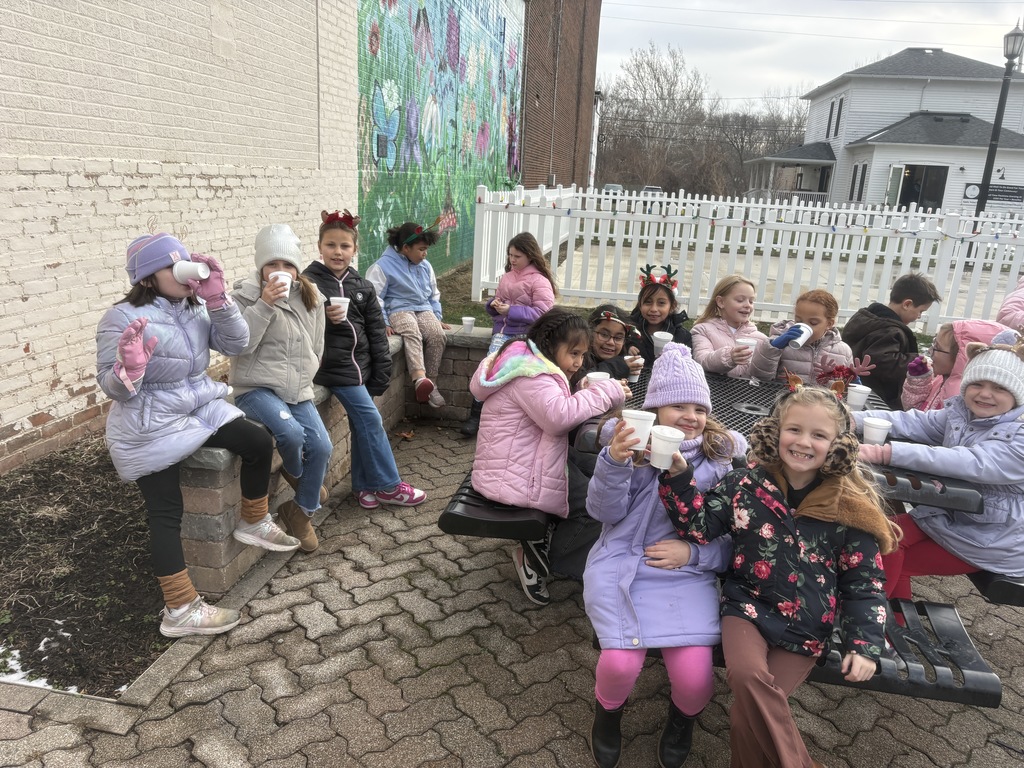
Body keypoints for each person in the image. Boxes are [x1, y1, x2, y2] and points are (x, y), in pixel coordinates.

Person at [662, 384, 898, 768]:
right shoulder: (744, 484)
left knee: (746, 717)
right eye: (794, 429)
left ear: (838, 445)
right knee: (748, 676)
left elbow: (864, 584)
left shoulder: (849, 507)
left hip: (806, 625)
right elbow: (699, 528)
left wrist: (863, 644)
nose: (804, 442)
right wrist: (678, 477)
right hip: (747, 607)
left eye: (819, 435)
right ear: (775, 432)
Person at [96, 233, 299, 638]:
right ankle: (180, 609)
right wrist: (128, 370)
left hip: (196, 406)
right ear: (148, 277)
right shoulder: (120, 317)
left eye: (184, 263)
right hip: (147, 424)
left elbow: (236, 343)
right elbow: (112, 388)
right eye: (173, 267)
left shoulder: (193, 306)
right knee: (166, 510)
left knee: (258, 441)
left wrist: (218, 301)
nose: (185, 273)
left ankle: (253, 521)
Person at [584, 343, 745, 768]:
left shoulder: (717, 465)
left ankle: (682, 721)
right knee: (619, 663)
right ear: (654, 411)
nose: (690, 416)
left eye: (699, 407)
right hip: (622, 564)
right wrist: (614, 464)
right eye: (677, 405)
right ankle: (607, 715)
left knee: (696, 676)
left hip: (685, 575)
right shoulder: (631, 453)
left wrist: (691, 553)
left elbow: (730, 540)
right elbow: (603, 514)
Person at [469, 308, 628, 606]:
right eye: (574, 354)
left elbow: (552, 403)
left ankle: (548, 536)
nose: (579, 362)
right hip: (516, 477)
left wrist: (582, 388)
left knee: (598, 467)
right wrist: (606, 391)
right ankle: (546, 557)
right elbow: (558, 417)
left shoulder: (528, 362)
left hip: (516, 461)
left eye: (583, 355)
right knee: (598, 501)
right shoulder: (532, 375)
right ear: (551, 344)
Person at [857, 338, 1024, 601]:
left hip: (994, 538)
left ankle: (869, 627)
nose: (984, 394)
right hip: (955, 516)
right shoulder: (963, 415)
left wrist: (886, 453)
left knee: (886, 549)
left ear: (1017, 395)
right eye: (977, 383)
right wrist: (842, 417)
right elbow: (912, 422)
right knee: (880, 532)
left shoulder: (1019, 436)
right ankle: (890, 627)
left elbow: (968, 461)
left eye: (999, 388)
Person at [303, 210, 427, 511]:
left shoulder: (362, 286)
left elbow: (375, 331)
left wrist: (380, 372)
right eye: (331, 245)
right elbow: (297, 326)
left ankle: (362, 487)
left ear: (354, 250)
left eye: (345, 246)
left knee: (362, 426)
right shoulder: (308, 282)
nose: (337, 252)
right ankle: (389, 485)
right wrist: (322, 315)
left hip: (362, 368)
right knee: (370, 419)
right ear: (320, 247)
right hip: (333, 369)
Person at [229, 224, 332, 553]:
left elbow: (317, 344)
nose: (281, 272)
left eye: (288, 265)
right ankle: (301, 479)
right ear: (261, 266)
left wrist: (311, 367)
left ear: (297, 268)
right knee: (290, 434)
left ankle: (299, 511)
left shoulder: (310, 295)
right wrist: (264, 305)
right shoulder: (243, 296)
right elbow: (239, 346)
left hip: (297, 387)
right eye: (273, 264)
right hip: (255, 387)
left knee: (323, 446)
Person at [462, 232, 557, 436]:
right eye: (510, 255)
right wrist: (494, 305)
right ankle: (476, 416)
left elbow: (543, 314)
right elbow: (499, 302)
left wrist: (510, 311)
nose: (512, 260)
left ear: (530, 256)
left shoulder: (539, 281)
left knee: (510, 375)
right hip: (501, 334)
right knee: (489, 369)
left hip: (525, 337)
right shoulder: (506, 277)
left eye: (517, 256)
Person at [366, 220, 449, 408]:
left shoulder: (425, 265)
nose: (425, 254)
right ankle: (419, 378)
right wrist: (383, 322)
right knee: (412, 332)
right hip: (398, 310)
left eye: (426, 249)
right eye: (421, 249)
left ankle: (431, 385)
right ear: (405, 247)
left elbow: (434, 293)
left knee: (437, 334)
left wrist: (437, 316)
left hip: (423, 307)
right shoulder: (382, 266)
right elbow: (374, 297)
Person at [840, 273, 941, 409]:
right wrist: (915, 360)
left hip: (857, 387)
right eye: (920, 311)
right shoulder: (889, 331)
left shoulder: (867, 318)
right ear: (907, 304)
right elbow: (883, 362)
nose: (919, 316)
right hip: (876, 394)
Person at [748, 288, 873, 385]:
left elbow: (843, 387)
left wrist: (853, 380)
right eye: (799, 321)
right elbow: (758, 376)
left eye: (813, 323)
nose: (804, 326)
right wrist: (772, 348)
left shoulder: (842, 350)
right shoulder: (782, 344)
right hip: (785, 403)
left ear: (829, 324)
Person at [901, 319, 1009, 411]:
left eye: (937, 347)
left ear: (960, 356)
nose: (930, 350)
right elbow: (917, 412)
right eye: (933, 344)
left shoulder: (962, 394)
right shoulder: (941, 378)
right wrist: (918, 383)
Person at [690, 274, 766, 378]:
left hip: (749, 393)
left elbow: (766, 375)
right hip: (714, 391)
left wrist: (774, 350)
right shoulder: (703, 330)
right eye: (740, 300)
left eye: (751, 301)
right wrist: (729, 357)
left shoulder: (761, 339)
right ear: (721, 302)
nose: (748, 305)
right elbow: (702, 360)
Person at [627, 264, 692, 363]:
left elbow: (689, 365)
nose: (653, 309)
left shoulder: (681, 336)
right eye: (648, 302)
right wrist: (626, 349)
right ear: (640, 304)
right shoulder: (629, 331)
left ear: (672, 306)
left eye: (661, 303)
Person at [576, 304, 644, 383]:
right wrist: (617, 367)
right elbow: (581, 382)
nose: (611, 342)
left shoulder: (624, 360)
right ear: (590, 332)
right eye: (604, 335)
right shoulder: (579, 357)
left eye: (618, 338)